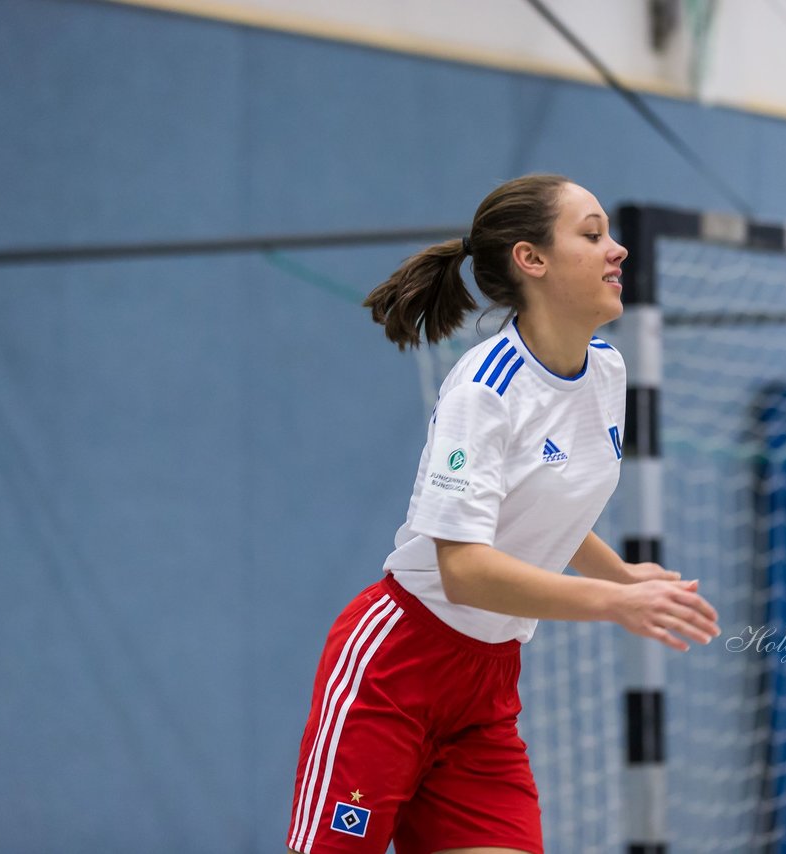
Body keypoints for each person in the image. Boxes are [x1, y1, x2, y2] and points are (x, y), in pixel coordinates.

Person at [286, 174, 720, 854]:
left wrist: (625, 575)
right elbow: (464, 570)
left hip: (486, 686)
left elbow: (550, 506)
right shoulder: (485, 391)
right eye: (592, 233)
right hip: (398, 663)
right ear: (532, 259)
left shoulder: (606, 374)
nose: (619, 251)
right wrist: (611, 602)